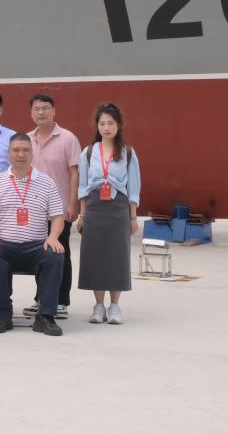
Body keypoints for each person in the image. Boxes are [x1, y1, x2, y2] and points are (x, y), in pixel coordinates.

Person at [0, 133, 66, 336]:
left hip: (37, 246)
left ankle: (45, 316)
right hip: (6, 245)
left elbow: (57, 218)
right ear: (9, 153)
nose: (21, 154)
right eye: (16, 150)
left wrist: (53, 237)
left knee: (55, 255)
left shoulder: (47, 182)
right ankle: (3, 315)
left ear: (32, 153)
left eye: (26, 150)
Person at [76, 103, 142, 326]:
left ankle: (115, 306)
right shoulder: (88, 152)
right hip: (94, 208)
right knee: (95, 255)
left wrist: (133, 217)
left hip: (118, 208)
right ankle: (98, 306)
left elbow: (133, 187)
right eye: (102, 123)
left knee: (117, 256)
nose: (106, 127)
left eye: (110, 123)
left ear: (119, 125)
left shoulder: (128, 153)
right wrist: (82, 215)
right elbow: (83, 187)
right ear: (97, 126)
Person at [21, 93, 81, 320]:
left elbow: (74, 173)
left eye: (45, 108)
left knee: (60, 253)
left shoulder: (68, 138)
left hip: (59, 209)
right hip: (34, 210)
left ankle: (61, 301)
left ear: (54, 111)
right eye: (36, 109)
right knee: (40, 255)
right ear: (31, 113)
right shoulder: (27, 139)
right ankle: (43, 299)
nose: (41, 112)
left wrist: (73, 203)